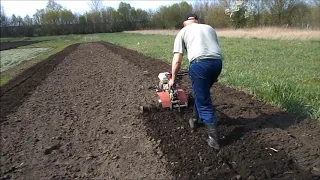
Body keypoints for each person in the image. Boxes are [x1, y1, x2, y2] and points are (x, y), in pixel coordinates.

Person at [168, 13, 223, 150]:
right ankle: (194, 119)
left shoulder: (183, 31)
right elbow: (214, 48)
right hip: (217, 64)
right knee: (200, 93)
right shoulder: (209, 28)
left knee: (204, 101)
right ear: (196, 21)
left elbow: (177, 59)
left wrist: (172, 78)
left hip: (200, 65)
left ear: (185, 22)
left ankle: (213, 139)